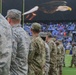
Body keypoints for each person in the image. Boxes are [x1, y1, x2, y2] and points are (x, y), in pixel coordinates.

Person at [6, 9, 30, 75]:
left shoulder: (12, 33)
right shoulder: (25, 33)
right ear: (20, 20)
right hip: (23, 70)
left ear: (9, 20)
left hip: (14, 71)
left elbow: (11, 55)